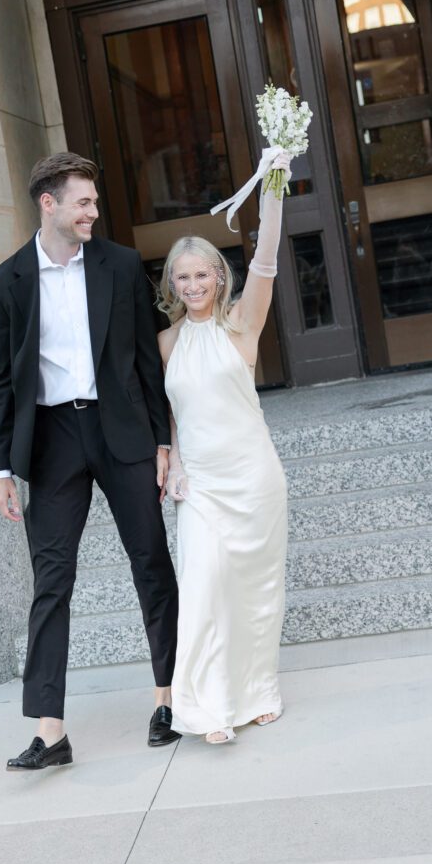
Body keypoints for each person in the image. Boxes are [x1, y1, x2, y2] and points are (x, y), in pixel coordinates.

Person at [0, 152, 180, 770]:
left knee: (150, 560)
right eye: (84, 202)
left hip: (120, 432)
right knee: (52, 582)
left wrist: (164, 442)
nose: (94, 212)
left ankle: (170, 699)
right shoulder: (5, 282)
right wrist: (0, 469)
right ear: (49, 203)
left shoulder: (119, 265)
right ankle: (50, 732)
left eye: (94, 202)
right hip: (51, 441)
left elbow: (146, 360)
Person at [156, 188, 288, 744]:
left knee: (256, 592)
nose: (192, 287)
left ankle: (259, 691)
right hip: (203, 486)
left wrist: (275, 189)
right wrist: (176, 461)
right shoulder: (165, 341)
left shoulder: (241, 326)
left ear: (218, 277)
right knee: (204, 591)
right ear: (171, 284)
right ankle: (211, 709)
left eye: (202, 276)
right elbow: (173, 414)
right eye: (182, 279)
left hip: (252, 476)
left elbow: (266, 260)